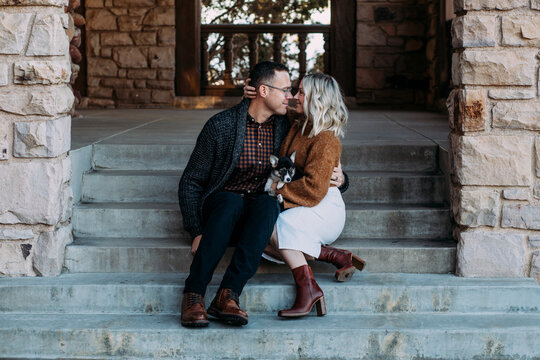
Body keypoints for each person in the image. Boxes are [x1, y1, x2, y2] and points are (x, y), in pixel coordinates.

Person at [178, 61, 347, 328]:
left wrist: (342, 180)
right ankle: (193, 294)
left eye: (295, 91)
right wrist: (196, 230)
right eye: (287, 90)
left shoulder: (286, 124)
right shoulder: (221, 126)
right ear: (264, 92)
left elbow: (316, 152)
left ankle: (228, 295)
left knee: (268, 206)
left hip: (258, 211)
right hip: (223, 206)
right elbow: (191, 181)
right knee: (232, 202)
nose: (291, 97)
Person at [245, 73, 365, 318]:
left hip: (323, 208)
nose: (293, 96)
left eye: (300, 92)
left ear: (316, 98)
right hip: (306, 203)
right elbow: (276, 102)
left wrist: (277, 190)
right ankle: (332, 256)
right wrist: (256, 92)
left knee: (272, 225)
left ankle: (308, 288)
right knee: (263, 230)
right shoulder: (301, 123)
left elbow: (313, 188)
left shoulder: (326, 139)